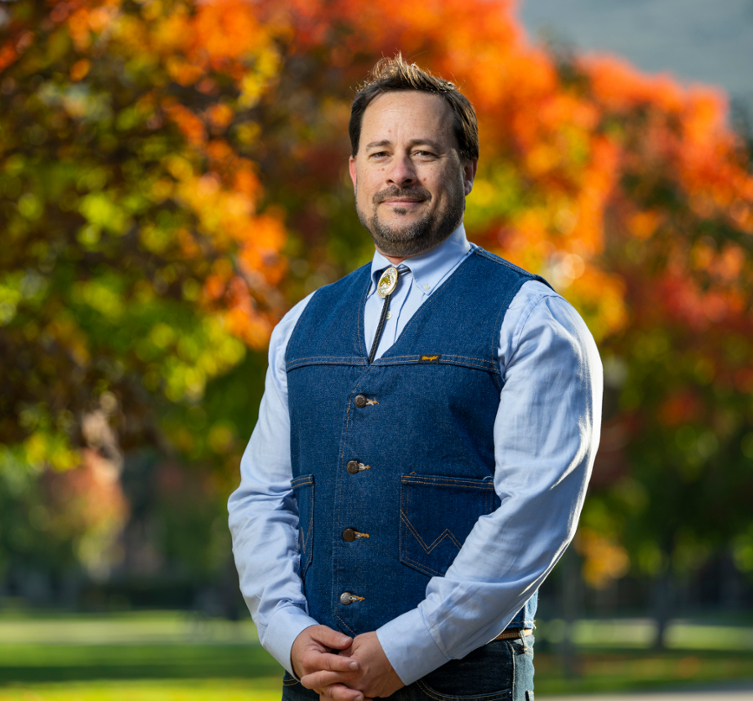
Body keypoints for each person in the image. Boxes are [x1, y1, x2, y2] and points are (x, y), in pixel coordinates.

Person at [228, 55, 603, 701]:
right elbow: (262, 497)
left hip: (464, 684)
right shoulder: (300, 325)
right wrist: (287, 631)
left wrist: (406, 650)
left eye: (423, 153)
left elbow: (531, 515)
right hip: (314, 680)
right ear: (355, 171)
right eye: (380, 153)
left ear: (467, 168)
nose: (398, 173)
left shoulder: (533, 320)